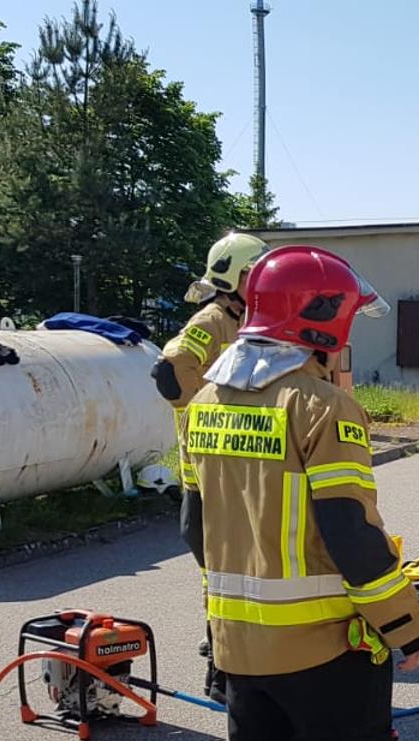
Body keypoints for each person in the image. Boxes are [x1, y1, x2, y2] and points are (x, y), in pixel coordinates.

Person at [179, 245, 419, 741]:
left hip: (239, 649)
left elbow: (194, 529)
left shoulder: (205, 403)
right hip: (324, 653)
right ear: (323, 320)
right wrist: (407, 627)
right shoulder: (322, 406)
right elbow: (351, 534)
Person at [152, 231, 270, 700]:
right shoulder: (214, 319)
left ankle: (233, 649)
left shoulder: (249, 319)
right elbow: (169, 370)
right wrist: (204, 411)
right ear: (236, 277)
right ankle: (223, 673)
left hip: (239, 473)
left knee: (238, 572)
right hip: (208, 479)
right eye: (254, 272)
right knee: (223, 575)